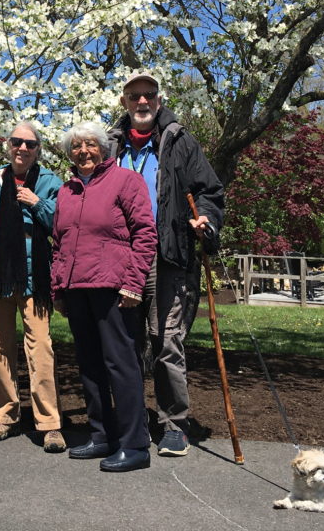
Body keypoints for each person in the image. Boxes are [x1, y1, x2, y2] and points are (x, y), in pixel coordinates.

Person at [107, 72, 224, 457]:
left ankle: (174, 422)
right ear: (124, 101)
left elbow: (208, 191)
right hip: (119, 258)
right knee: (125, 343)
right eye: (134, 96)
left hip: (165, 255)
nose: (142, 102)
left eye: (149, 95)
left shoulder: (179, 140)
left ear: (159, 99)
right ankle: (129, 420)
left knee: (166, 340)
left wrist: (204, 219)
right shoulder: (110, 145)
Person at [51, 121, 158, 472]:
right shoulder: (66, 191)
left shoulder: (126, 181)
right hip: (76, 288)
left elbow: (145, 233)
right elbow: (59, 243)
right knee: (90, 366)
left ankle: (135, 444)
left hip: (113, 288)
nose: (83, 151)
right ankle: (101, 436)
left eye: (90, 144)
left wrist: (133, 282)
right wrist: (58, 288)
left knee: (121, 365)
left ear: (103, 148)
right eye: (76, 147)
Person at [0, 121, 65, 453]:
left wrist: (37, 203)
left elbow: (62, 226)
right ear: (9, 145)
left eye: (30, 144)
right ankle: (5, 415)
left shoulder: (50, 182)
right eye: (16, 142)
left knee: (40, 347)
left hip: (35, 273)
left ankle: (49, 423)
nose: (22, 148)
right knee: (0, 347)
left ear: (38, 149)